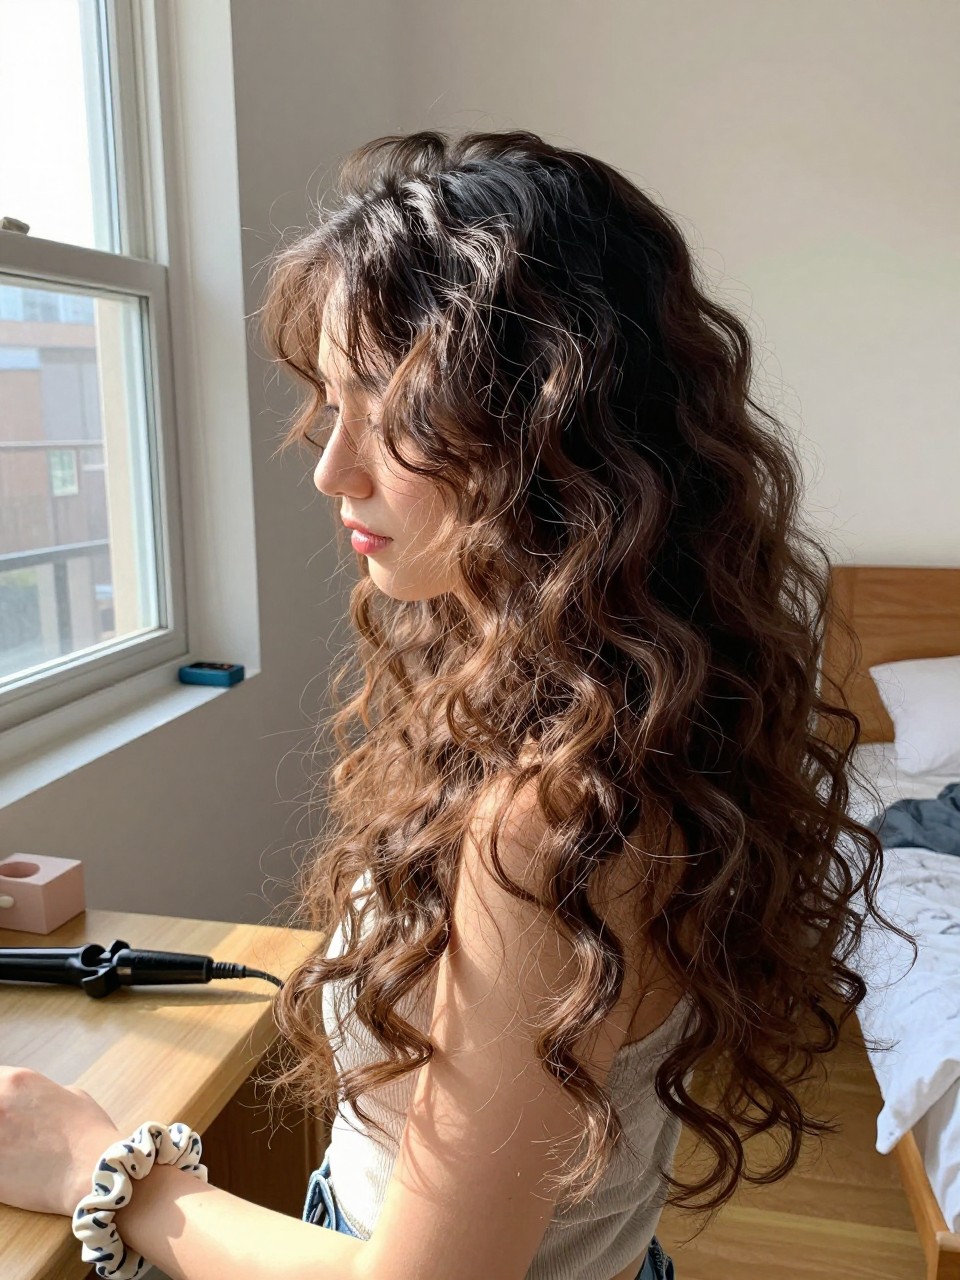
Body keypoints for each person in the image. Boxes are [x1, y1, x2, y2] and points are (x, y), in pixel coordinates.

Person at [0, 128, 909, 1280]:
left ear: (556, 430)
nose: (333, 468)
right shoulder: (623, 700)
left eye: (392, 411)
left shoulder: (552, 819)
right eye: (329, 404)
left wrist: (102, 1164)